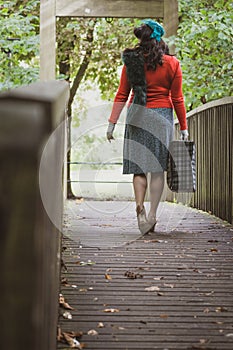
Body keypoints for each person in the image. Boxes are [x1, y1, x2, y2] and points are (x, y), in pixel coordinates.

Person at [106, 19, 188, 235]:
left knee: (139, 168)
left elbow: (122, 93)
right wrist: (184, 127)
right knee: (157, 170)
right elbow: (177, 98)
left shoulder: (131, 62)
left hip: (137, 116)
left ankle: (139, 206)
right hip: (161, 116)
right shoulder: (172, 63)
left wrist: (112, 122)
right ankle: (152, 215)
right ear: (159, 39)